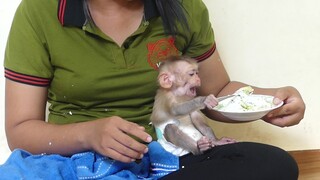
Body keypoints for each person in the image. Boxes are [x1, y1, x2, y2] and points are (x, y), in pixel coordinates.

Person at [3, 0, 305, 179]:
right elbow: (20, 130)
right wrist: (89, 134)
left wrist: (270, 99)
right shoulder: (40, 11)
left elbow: (218, 90)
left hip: (170, 155)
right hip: (78, 161)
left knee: (274, 165)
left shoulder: (183, 7)